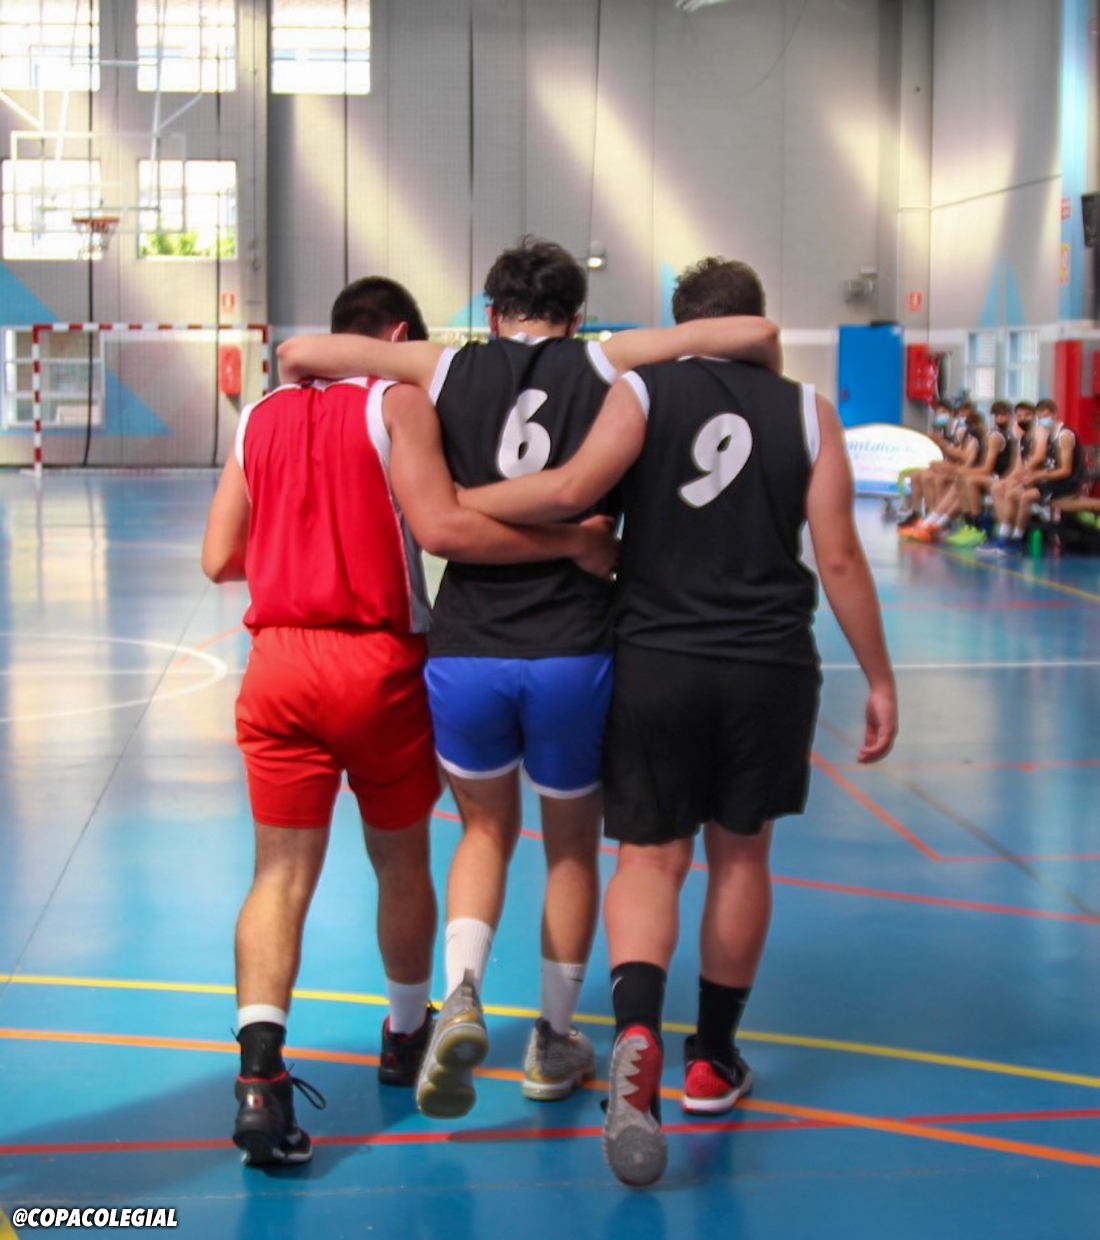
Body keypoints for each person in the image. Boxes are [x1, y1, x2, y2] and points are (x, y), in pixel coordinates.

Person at [276, 238, 781, 1120]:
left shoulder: (444, 365)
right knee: (572, 847)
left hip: (467, 646)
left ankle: (462, 991)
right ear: (576, 316)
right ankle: (553, 1039)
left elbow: (299, 354)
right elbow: (752, 332)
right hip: (573, 645)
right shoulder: (604, 358)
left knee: (482, 831)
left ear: (492, 310)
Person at [454, 256, 898, 1186]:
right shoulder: (810, 411)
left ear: (685, 320)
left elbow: (568, 490)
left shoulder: (645, 392)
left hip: (656, 658)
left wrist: (461, 505)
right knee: (741, 858)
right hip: (768, 662)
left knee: (650, 859)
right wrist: (880, 678)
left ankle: (637, 1036)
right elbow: (842, 560)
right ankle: (712, 1060)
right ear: (756, 323)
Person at [201, 276, 617, 1166]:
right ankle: (402, 1035)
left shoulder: (258, 417)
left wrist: (295, 553)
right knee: (401, 862)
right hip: (375, 660)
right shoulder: (396, 405)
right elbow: (443, 529)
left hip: (276, 662)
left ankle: (259, 1079)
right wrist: (573, 542)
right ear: (395, 339)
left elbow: (218, 556)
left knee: (278, 877)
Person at [979, 398, 1083, 558]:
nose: (1043, 420)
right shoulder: (1045, 435)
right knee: (1010, 492)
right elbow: (1037, 465)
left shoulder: (1064, 435)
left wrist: (1037, 475)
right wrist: (1024, 477)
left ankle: (1017, 540)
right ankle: (1004, 536)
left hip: (1065, 484)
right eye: (1040, 417)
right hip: (1049, 480)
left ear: (1055, 414)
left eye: (1046, 416)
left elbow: (1065, 471)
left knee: (1025, 496)